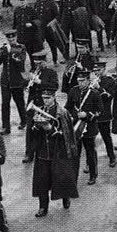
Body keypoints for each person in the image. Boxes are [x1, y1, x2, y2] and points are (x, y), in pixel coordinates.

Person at [30, 88, 78, 217]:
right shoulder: (40, 110)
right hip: (42, 152)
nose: (45, 101)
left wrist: (51, 129)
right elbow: (33, 132)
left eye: (48, 98)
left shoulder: (62, 112)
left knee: (62, 177)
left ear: (54, 98)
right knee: (42, 180)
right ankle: (43, 207)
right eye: (44, 98)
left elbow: (67, 135)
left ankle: (65, 197)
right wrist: (35, 126)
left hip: (58, 151)